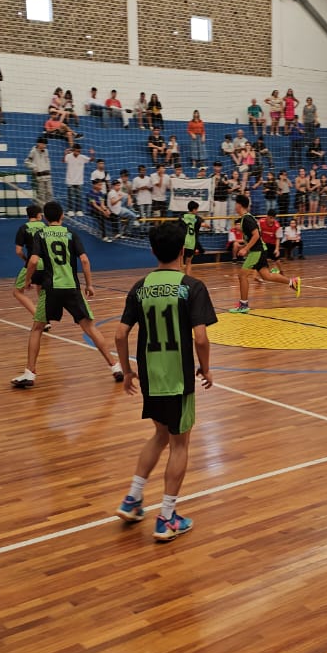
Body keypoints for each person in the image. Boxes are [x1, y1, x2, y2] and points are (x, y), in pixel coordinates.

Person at [114, 220, 218, 541]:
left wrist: (127, 371)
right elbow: (200, 338)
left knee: (159, 435)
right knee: (179, 442)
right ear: (183, 250)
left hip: (150, 374)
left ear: (152, 250)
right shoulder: (191, 286)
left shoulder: (140, 287)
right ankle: (167, 518)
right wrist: (206, 368)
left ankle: (132, 498)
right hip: (178, 376)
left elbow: (120, 334)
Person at [12, 201, 124, 388]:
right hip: (72, 288)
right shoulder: (71, 234)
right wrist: (89, 285)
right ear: (62, 216)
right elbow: (85, 260)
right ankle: (115, 366)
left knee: (37, 328)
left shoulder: (41, 234)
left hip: (51, 289)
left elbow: (32, 260)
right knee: (89, 327)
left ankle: (30, 373)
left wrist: (27, 279)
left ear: (45, 218)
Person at [228, 194, 300, 313]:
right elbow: (253, 235)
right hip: (259, 250)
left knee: (242, 275)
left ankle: (243, 305)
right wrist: (245, 244)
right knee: (267, 276)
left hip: (256, 251)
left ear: (239, 205)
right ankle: (293, 282)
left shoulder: (246, 219)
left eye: (236, 204)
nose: (235, 206)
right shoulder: (246, 218)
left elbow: (256, 235)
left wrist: (246, 249)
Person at [12, 204, 50, 329]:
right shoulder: (45, 226)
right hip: (47, 263)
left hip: (33, 263)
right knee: (41, 290)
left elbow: (18, 251)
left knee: (17, 292)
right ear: (39, 215)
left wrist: (26, 260)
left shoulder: (23, 228)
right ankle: (45, 318)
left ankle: (40, 318)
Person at [63, 144, 92, 216]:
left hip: (79, 181)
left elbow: (91, 160)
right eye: (77, 151)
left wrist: (92, 154)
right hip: (70, 180)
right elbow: (63, 160)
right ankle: (70, 210)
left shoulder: (82, 157)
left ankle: (79, 210)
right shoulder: (69, 156)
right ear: (73, 150)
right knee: (70, 196)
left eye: (79, 151)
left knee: (79, 197)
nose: (78, 153)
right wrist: (65, 154)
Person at [25, 138, 52, 205]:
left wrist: (48, 170)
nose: (44, 146)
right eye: (43, 144)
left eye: (45, 144)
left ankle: (50, 209)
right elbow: (26, 162)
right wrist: (34, 167)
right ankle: (42, 210)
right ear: (38, 144)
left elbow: (47, 162)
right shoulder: (33, 151)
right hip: (39, 177)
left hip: (47, 176)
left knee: (49, 193)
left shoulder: (46, 151)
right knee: (41, 195)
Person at [179, 200, 204, 274]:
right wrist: (206, 225)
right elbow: (202, 224)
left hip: (182, 242)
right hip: (191, 243)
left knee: (180, 263)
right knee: (188, 262)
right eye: (197, 209)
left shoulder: (182, 217)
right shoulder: (197, 219)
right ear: (194, 209)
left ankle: (180, 279)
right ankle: (187, 279)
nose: (197, 211)